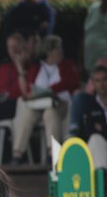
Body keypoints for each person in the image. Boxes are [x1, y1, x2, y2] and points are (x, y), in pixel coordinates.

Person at [11, 35, 79, 164]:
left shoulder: (67, 65)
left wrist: (50, 90)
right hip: (38, 104)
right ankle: (18, 153)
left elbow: (72, 83)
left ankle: (52, 153)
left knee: (50, 113)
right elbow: (27, 90)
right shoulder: (36, 67)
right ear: (49, 51)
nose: (61, 51)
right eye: (58, 49)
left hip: (59, 104)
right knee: (26, 114)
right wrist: (21, 70)